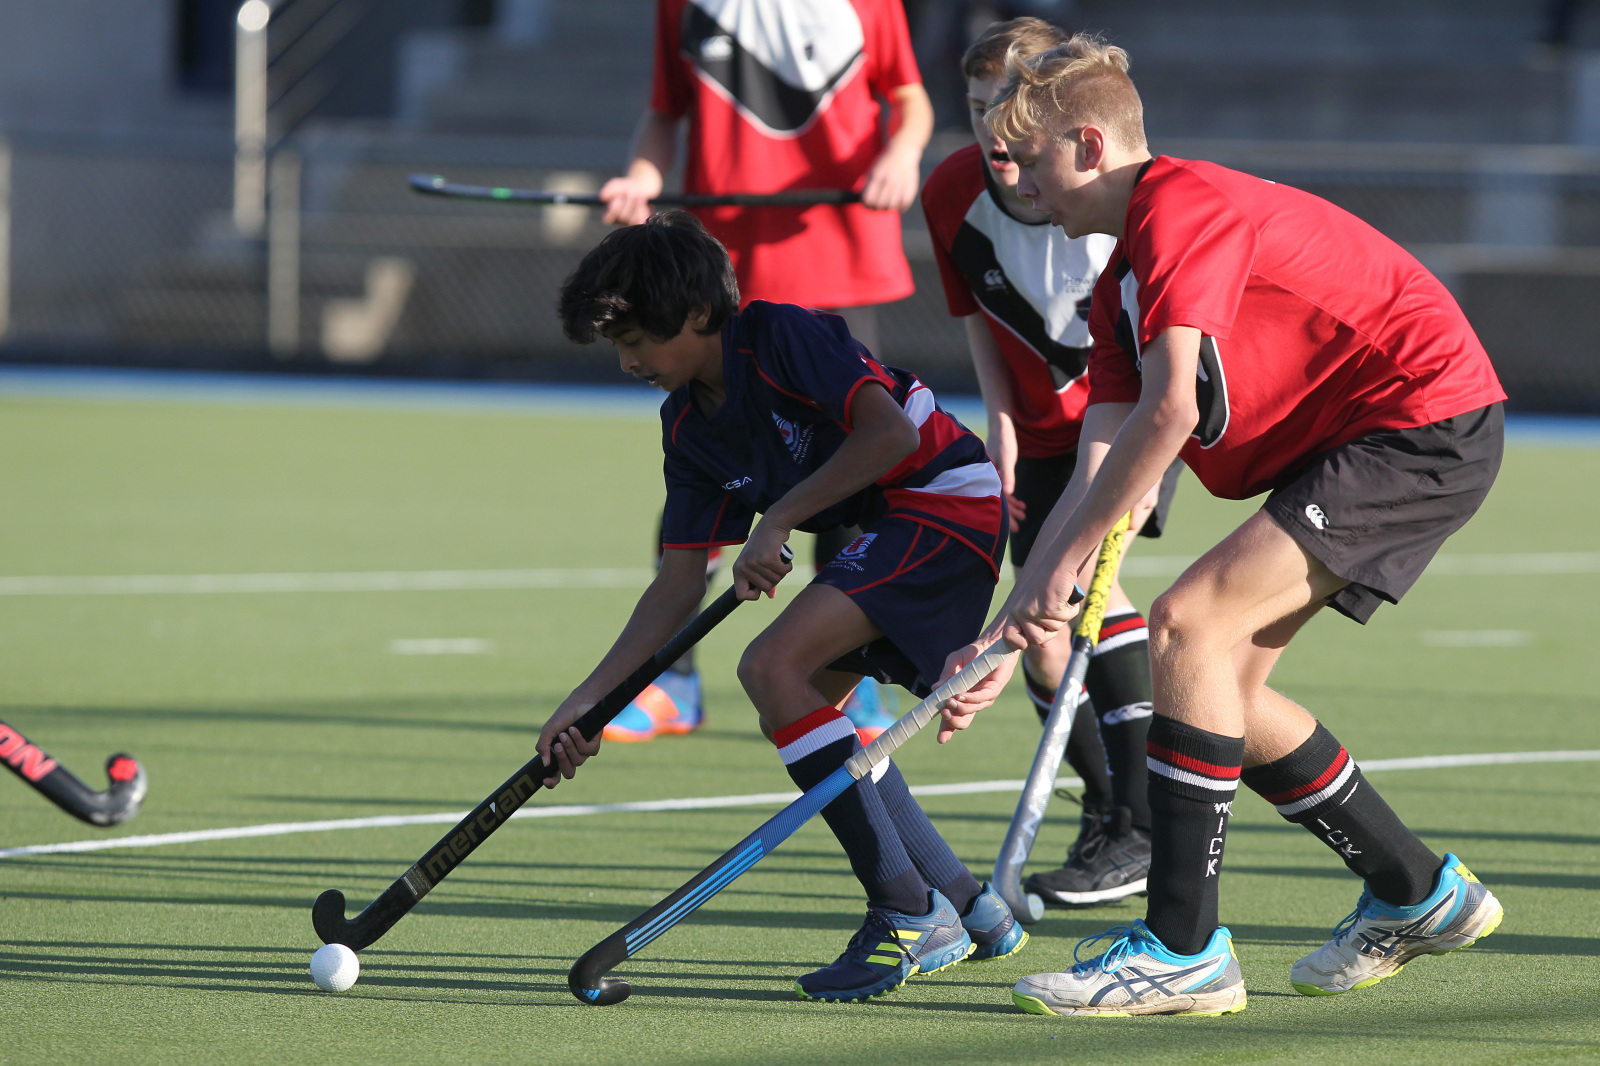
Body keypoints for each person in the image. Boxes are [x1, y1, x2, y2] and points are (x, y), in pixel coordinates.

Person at [938, 34, 1508, 1016]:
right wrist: (1018, 615)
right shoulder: (1117, 280)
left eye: (1029, 161)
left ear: (1087, 145)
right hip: (1365, 435)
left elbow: (1168, 413)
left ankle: (1181, 950)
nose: (1016, 184)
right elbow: (1102, 461)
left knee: (1185, 622)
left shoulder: (1179, 207)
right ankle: (1419, 890)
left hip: (1418, 418)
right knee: (1218, 691)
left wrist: (1060, 572)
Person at [540, 211, 1026, 1003]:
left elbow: (891, 437)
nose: (627, 361)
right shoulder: (686, 425)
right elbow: (677, 582)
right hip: (893, 523)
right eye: (616, 346)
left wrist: (777, 520)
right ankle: (970, 905)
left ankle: (907, 912)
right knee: (803, 711)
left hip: (946, 498)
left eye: (636, 340)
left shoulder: (780, 336)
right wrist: (590, 702)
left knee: (770, 667)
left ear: (698, 313)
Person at [597, 0, 935, 743]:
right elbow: (664, 112)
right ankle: (672, 684)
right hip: (719, 277)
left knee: (852, 475)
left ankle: (851, 676)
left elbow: (909, 100)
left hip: (834, 259)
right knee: (701, 468)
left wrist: (901, 154)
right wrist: (641, 178)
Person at [921, 16, 1181, 908]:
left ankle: (1141, 826)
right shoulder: (951, 192)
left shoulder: (1106, 193)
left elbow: (1158, 349)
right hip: (1035, 435)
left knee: (1082, 595)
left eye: (1009, 105)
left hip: (1131, 416)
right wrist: (1000, 429)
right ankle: (1107, 812)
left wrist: (1136, 462)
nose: (993, 129)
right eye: (976, 107)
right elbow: (979, 320)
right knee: (1040, 647)